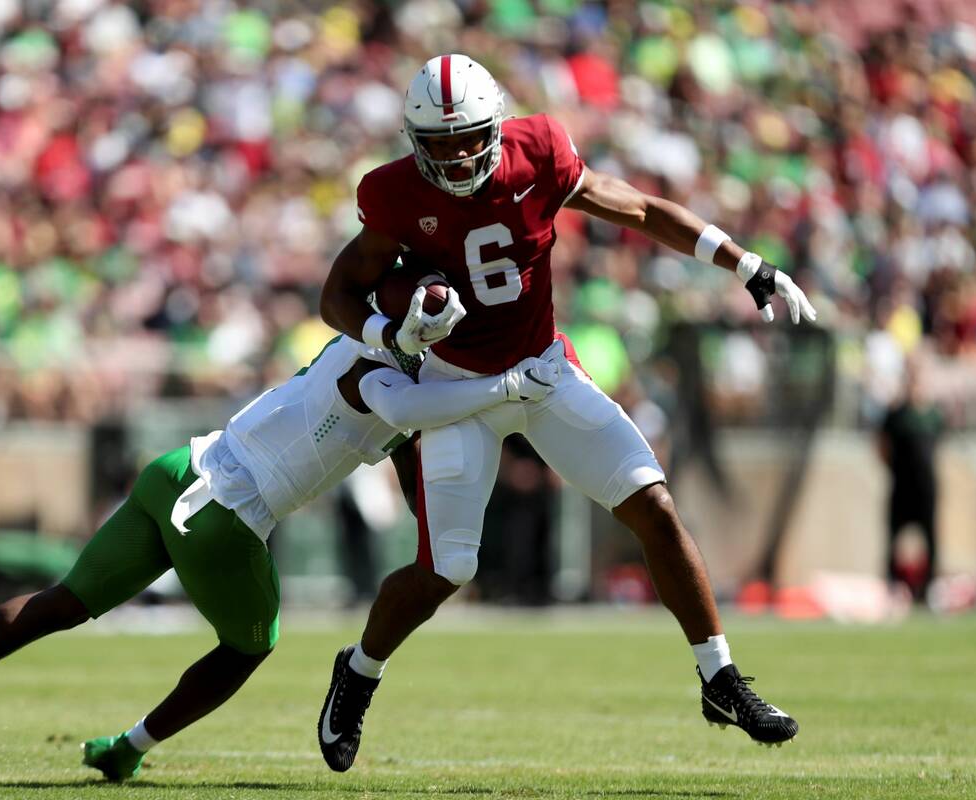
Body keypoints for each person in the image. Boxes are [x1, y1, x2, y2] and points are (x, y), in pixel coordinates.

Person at [316, 54, 815, 771]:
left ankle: (721, 679)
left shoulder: (539, 149)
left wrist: (744, 263)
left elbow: (638, 208)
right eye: (441, 143)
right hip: (458, 389)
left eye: (468, 139)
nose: (457, 156)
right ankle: (358, 672)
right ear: (413, 139)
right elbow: (339, 293)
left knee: (654, 504)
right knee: (446, 569)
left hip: (544, 371)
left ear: (495, 127)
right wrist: (387, 334)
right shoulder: (392, 195)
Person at [0, 326, 560, 782]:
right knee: (251, 643)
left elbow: (412, 455)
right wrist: (506, 389)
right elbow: (406, 398)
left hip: (179, 468)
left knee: (67, 599)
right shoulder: (381, 376)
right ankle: (129, 750)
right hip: (225, 514)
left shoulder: (360, 350)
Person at [877, 357, 943, 603]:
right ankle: (893, 588)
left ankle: (928, 590)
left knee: (931, 538)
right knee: (894, 537)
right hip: (902, 485)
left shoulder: (934, 414)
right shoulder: (896, 414)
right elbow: (881, 446)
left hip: (927, 488)